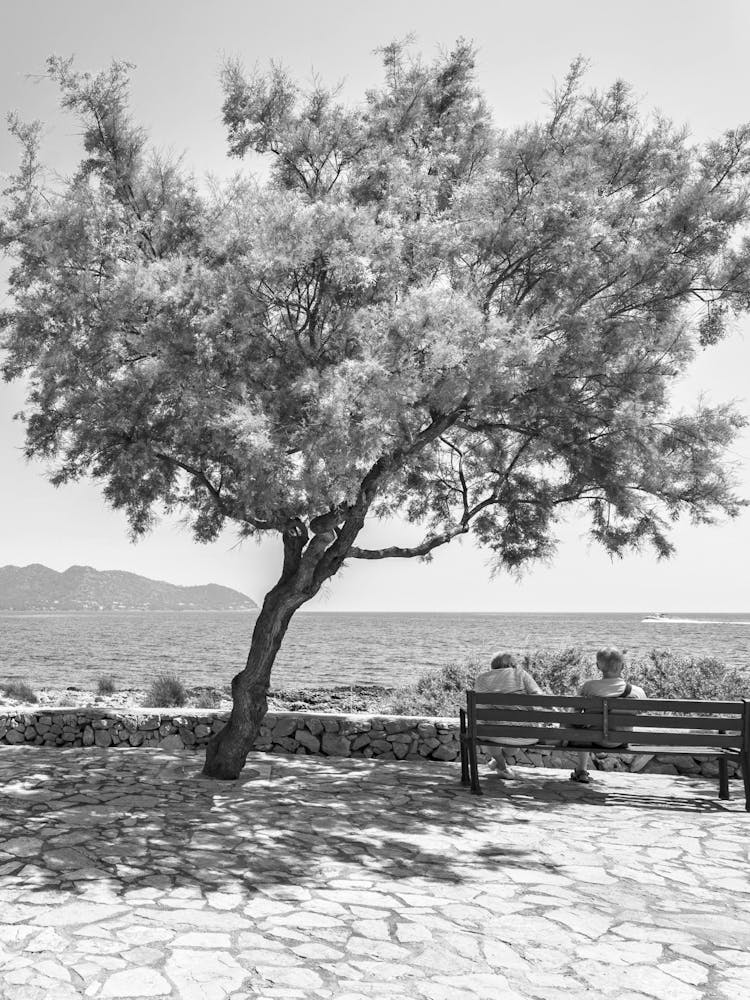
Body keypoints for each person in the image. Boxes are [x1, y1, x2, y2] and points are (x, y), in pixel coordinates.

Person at [569, 647, 646, 784]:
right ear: (623, 666)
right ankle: (581, 770)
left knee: (582, 732)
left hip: (593, 739)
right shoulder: (637, 692)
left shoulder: (589, 688)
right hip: (621, 740)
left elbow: (574, 714)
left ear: (598, 666)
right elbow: (641, 714)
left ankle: (581, 770)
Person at [474, 652, 544, 780]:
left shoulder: (481, 678)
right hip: (527, 735)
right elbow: (539, 697)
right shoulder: (520, 674)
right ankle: (501, 766)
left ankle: (500, 765)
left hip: (491, 733)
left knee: (488, 729)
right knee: (512, 733)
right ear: (511, 665)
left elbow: (480, 708)